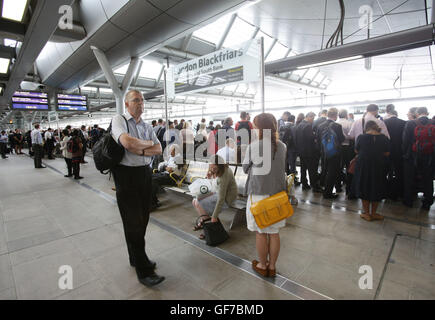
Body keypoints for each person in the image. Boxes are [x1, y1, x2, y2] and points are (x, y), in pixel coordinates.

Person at [110, 89, 164, 287]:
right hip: (126, 176)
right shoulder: (119, 120)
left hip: (144, 175)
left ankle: (135, 256)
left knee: (143, 219)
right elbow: (126, 142)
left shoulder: (147, 126)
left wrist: (138, 147)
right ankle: (144, 271)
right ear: (126, 103)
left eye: (142, 100)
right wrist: (146, 146)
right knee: (133, 222)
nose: (140, 103)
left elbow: (158, 149)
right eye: (135, 100)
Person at [243, 113, 287, 278]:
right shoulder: (282, 146)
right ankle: (273, 266)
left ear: (259, 128)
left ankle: (262, 265)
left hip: (259, 194)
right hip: (277, 195)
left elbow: (245, 168)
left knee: (261, 232)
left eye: (255, 126)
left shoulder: (254, 146)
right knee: (274, 232)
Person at [351, 121, 390, 221]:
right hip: (379, 165)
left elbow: (356, 150)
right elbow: (387, 153)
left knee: (365, 186)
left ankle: (367, 214)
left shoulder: (361, 137)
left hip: (364, 165)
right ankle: (374, 213)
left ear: (366, 128)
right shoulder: (384, 138)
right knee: (377, 187)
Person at [193, 154, 237, 240]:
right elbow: (215, 186)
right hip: (217, 193)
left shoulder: (224, 174)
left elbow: (221, 198)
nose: (212, 170)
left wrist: (215, 216)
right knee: (195, 200)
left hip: (226, 198)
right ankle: (205, 221)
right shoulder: (217, 170)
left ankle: (208, 226)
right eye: (211, 167)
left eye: (214, 168)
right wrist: (210, 177)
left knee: (198, 203)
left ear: (219, 166)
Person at [402, 107, 434, 210]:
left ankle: (408, 201)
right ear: (427, 113)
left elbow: (405, 141)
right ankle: (427, 202)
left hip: (412, 155)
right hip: (429, 155)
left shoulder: (411, 123)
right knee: (428, 179)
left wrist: (405, 154)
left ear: (417, 113)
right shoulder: (433, 122)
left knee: (409, 178)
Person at [317, 108, 345, 199]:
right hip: (335, 153)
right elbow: (341, 139)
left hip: (324, 152)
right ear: (336, 115)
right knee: (332, 172)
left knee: (325, 170)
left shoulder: (320, 126)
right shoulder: (337, 126)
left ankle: (324, 188)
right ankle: (328, 193)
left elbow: (318, 139)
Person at [295, 112, 322, 192]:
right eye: (312, 118)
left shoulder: (298, 125)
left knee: (303, 168)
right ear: (308, 117)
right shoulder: (307, 126)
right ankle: (314, 186)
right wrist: (314, 135)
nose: (313, 120)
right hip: (309, 151)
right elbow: (310, 138)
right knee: (312, 169)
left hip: (301, 151)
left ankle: (304, 184)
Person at [384, 109, 406, 200]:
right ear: (396, 114)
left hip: (387, 150)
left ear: (389, 114)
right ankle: (399, 192)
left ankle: (387, 192)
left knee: (386, 171)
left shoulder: (384, 122)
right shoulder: (404, 122)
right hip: (399, 151)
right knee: (399, 172)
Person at [337, 109, 354, 194]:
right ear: (346, 115)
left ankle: (338, 184)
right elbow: (351, 136)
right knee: (348, 166)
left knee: (339, 166)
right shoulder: (349, 123)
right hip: (347, 147)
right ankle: (348, 184)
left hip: (338, 147)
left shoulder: (336, 123)